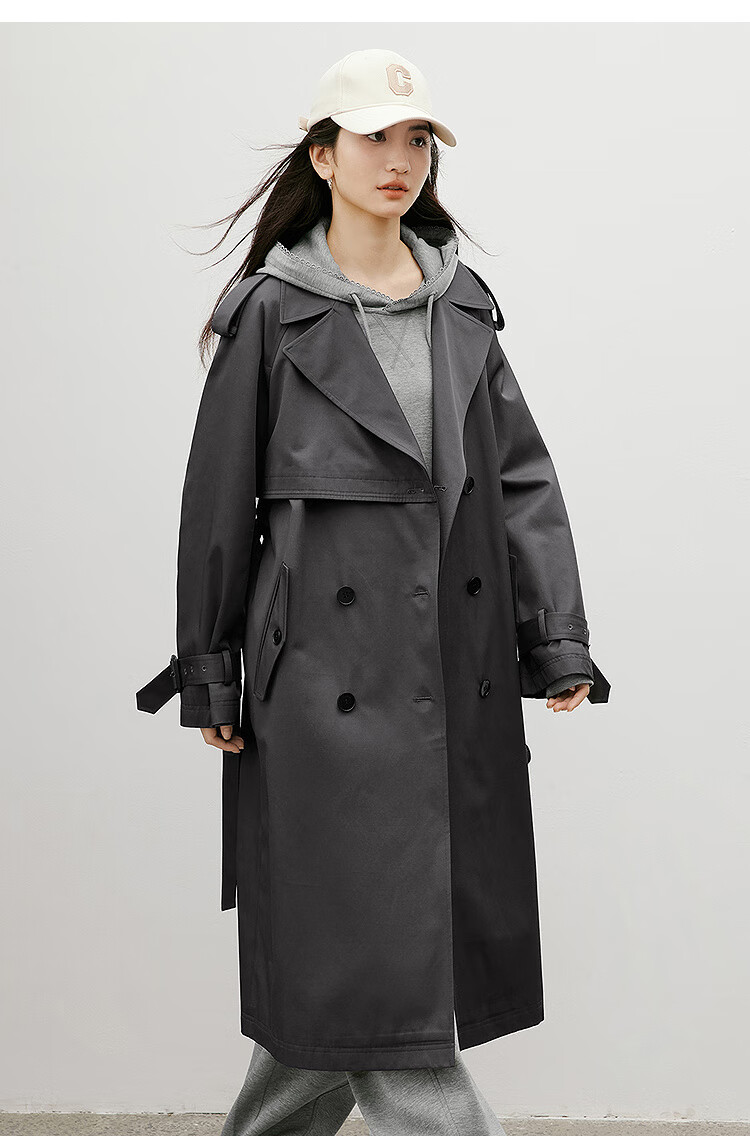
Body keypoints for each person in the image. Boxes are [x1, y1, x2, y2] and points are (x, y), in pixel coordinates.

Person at [136, 47, 610, 1136]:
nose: (400, 160)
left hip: (451, 675)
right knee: (383, 985)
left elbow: (522, 479)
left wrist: (555, 638)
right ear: (323, 155)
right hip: (320, 686)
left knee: (343, 983)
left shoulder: (463, 308)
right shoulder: (271, 313)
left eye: (417, 141)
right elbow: (217, 504)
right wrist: (211, 671)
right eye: (374, 138)